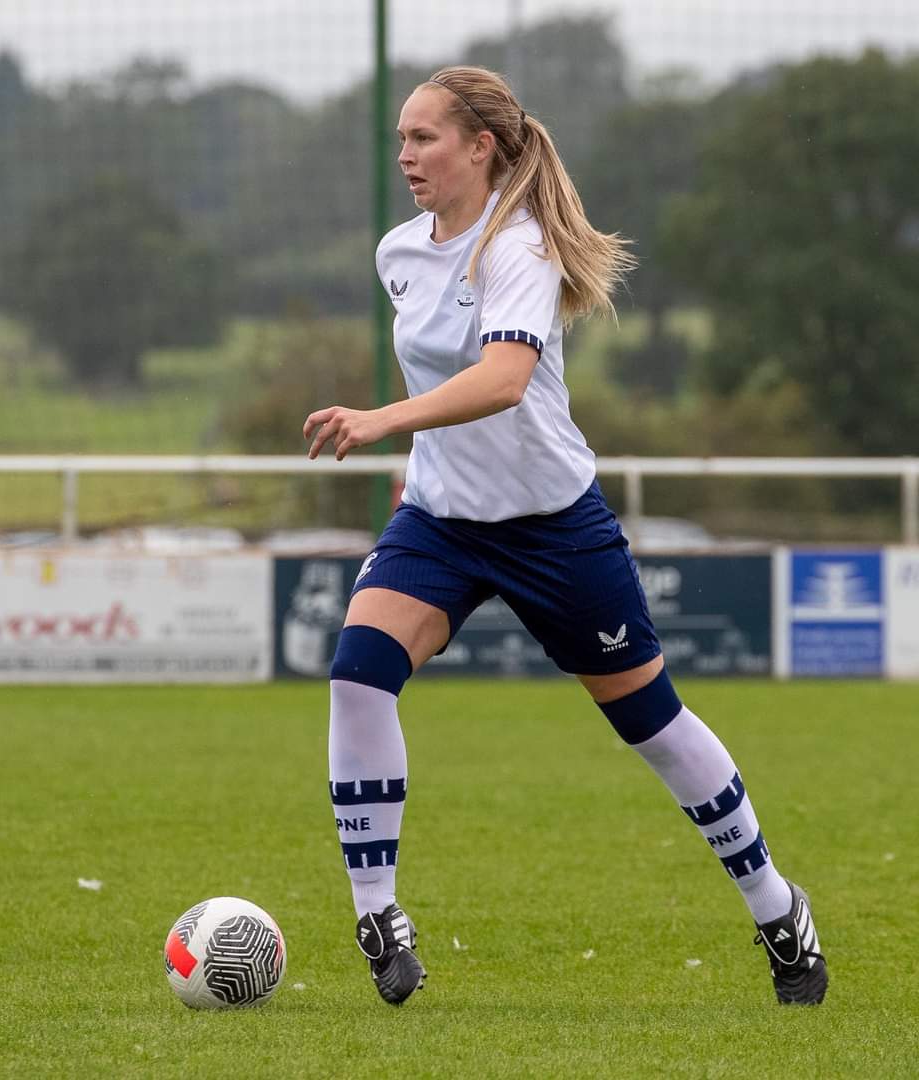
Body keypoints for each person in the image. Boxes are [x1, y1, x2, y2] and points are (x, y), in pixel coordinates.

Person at [303, 65, 826, 1008]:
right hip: (441, 522)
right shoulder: (398, 251)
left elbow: (504, 381)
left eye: (424, 138)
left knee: (651, 725)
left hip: (553, 527)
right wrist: (412, 454)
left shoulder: (522, 249)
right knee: (357, 675)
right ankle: (377, 915)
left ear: (481, 147)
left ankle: (777, 907)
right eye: (401, 139)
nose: (406, 156)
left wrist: (385, 420)